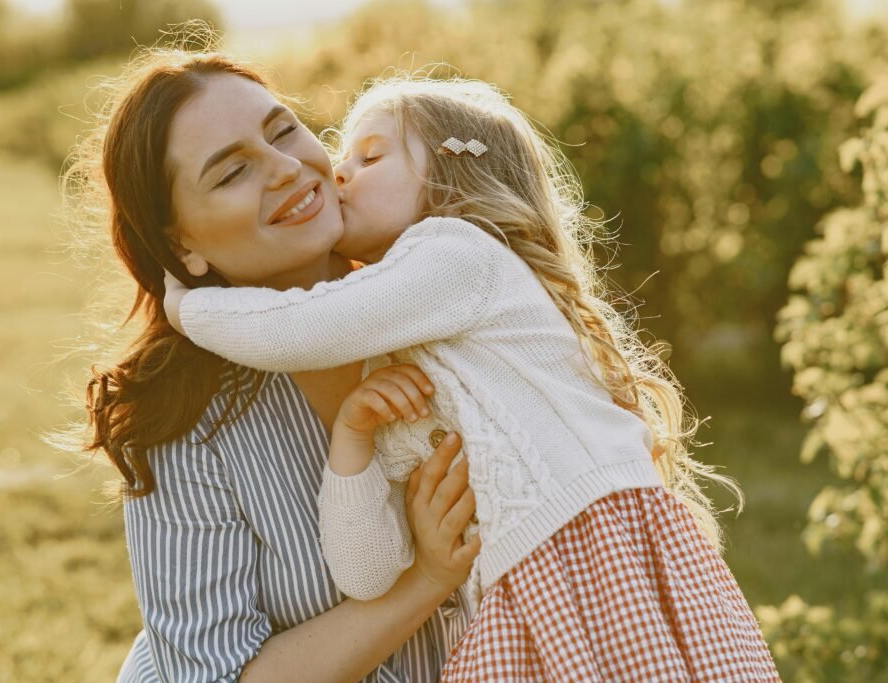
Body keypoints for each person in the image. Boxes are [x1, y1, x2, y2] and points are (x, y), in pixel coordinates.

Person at [164, 76, 782, 681]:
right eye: (345, 151)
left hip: (594, 561)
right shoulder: (396, 362)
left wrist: (189, 307)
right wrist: (353, 440)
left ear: (449, 181)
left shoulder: (457, 253)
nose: (338, 171)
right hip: (528, 606)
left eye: (371, 155)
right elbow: (367, 573)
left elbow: (295, 330)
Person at [66, 50, 481, 683]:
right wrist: (425, 580)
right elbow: (217, 677)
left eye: (283, 130)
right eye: (233, 172)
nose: (288, 169)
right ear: (183, 245)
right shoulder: (178, 419)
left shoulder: (447, 297)